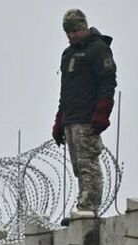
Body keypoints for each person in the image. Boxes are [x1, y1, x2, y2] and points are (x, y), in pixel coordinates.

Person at [51, 8, 117, 221]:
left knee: (88, 163)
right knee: (78, 166)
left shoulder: (98, 49)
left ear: (83, 27)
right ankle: (83, 203)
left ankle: (89, 207)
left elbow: (107, 81)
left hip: (87, 117)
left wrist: (102, 112)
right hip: (71, 117)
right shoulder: (68, 54)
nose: (71, 36)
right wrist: (60, 119)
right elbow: (66, 90)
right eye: (67, 32)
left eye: (74, 31)